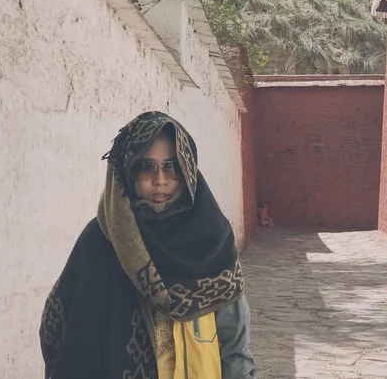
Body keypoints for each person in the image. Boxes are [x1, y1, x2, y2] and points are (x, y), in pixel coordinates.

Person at [39, 111, 258, 379]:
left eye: (172, 166)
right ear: (126, 171)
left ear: (188, 170)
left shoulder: (210, 239)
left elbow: (234, 347)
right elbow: (58, 328)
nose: (160, 180)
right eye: (146, 167)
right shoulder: (101, 241)